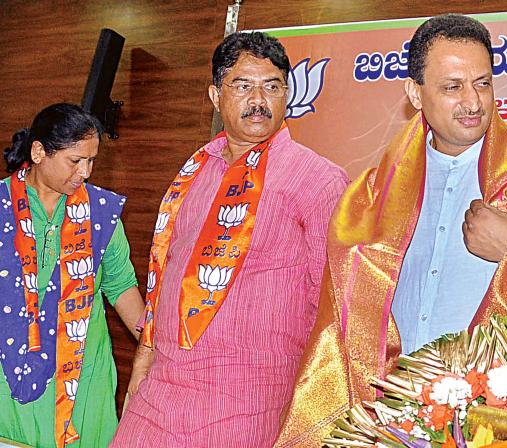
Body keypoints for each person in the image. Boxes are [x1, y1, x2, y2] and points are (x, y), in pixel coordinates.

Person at [277, 14, 507, 447]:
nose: (473, 102)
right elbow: (340, 328)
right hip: (390, 415)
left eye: (483, 83)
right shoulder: (371, 195)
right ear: (415, 94)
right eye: (452, 87)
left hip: (500, 420)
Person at [111, 32, 348, 447]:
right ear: (215, 96)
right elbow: (166, 274)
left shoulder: (318, 180)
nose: (259, 99)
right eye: (242, 86)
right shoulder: (193, 173)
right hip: (160, 391)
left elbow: (332, 304)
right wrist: (143, 362)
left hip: (248, 399)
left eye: (272, 86)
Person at [0, 103, 143, 448]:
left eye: (92, 160)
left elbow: (122, 287)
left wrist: (155, 348)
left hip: (82, 377)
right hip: (8, 372)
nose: (86, 172)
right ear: (38, 152)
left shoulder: (101, 213)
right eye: (75, 160)